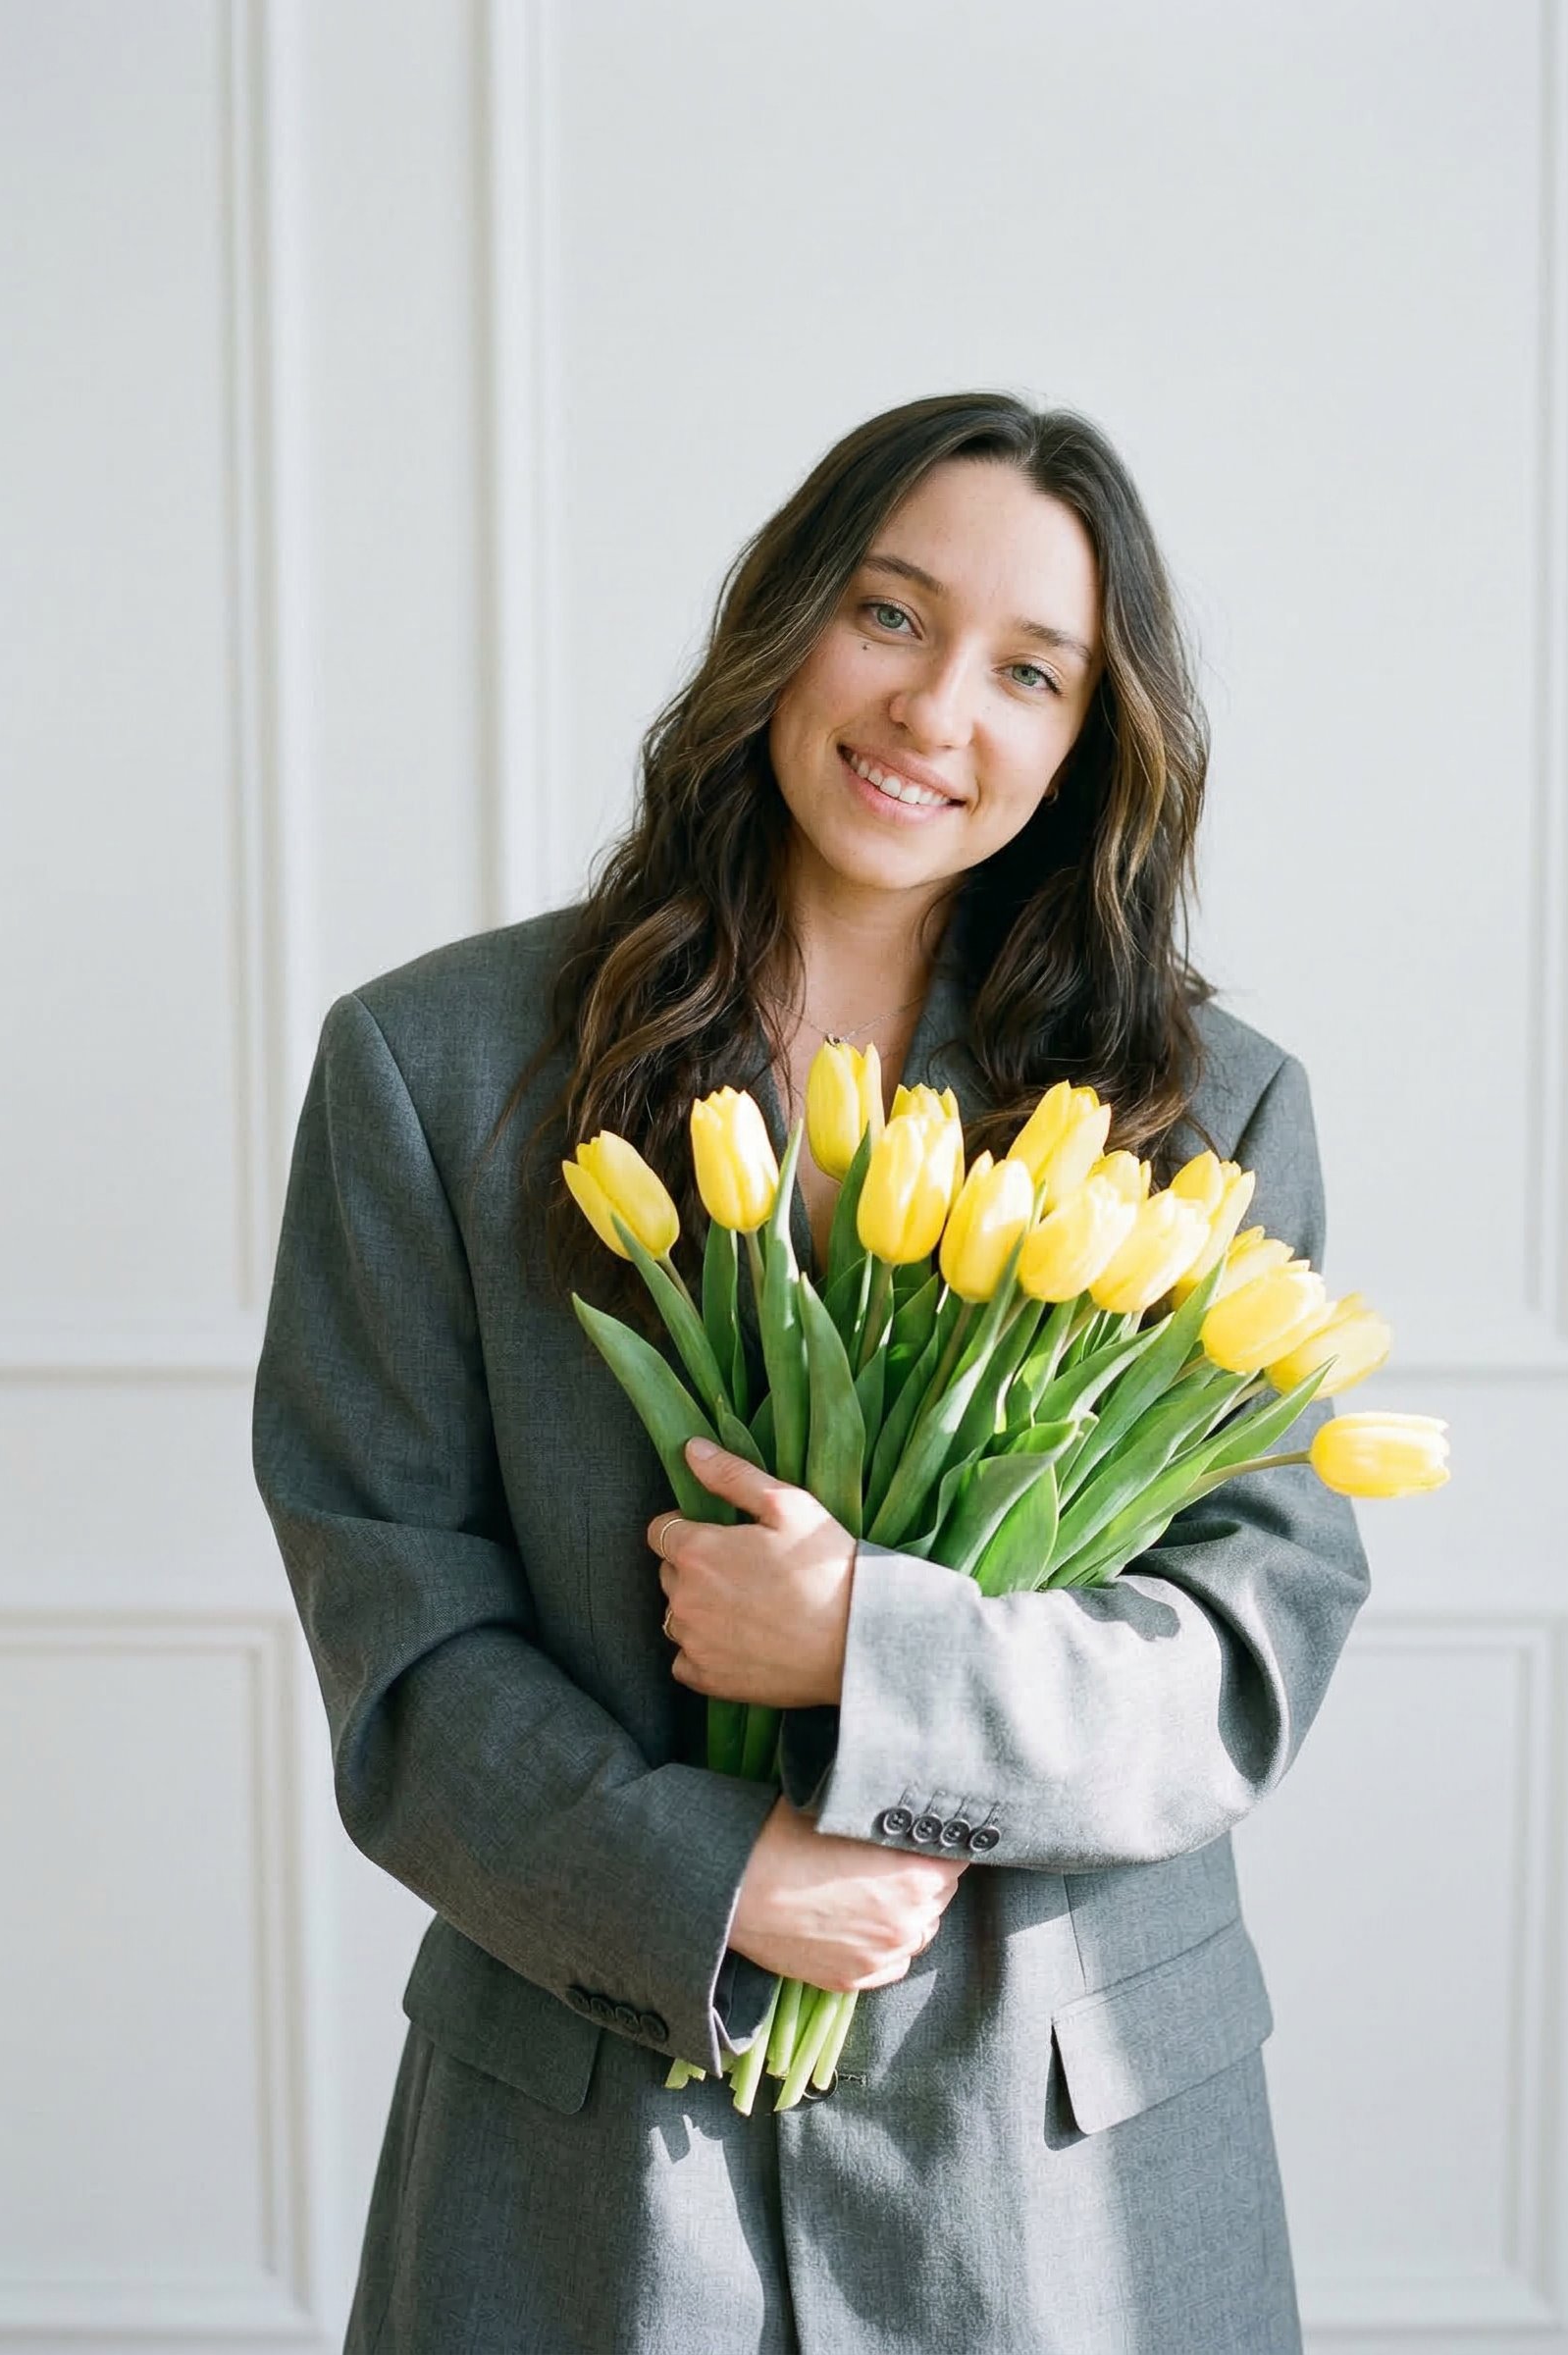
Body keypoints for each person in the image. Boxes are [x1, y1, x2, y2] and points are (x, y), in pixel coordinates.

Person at [252, 389, 1371, 2353]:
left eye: (1027, 671)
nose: (934, 709)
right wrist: (712, 1876)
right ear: (786, 620)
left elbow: (1239, 1658)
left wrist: (871, 1647)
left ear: (1085, 741)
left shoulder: (1202, 1115)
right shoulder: (430, 1069)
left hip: (1061, 2170)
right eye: (890, 614)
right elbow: (397, 1625)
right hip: (597, 2154)